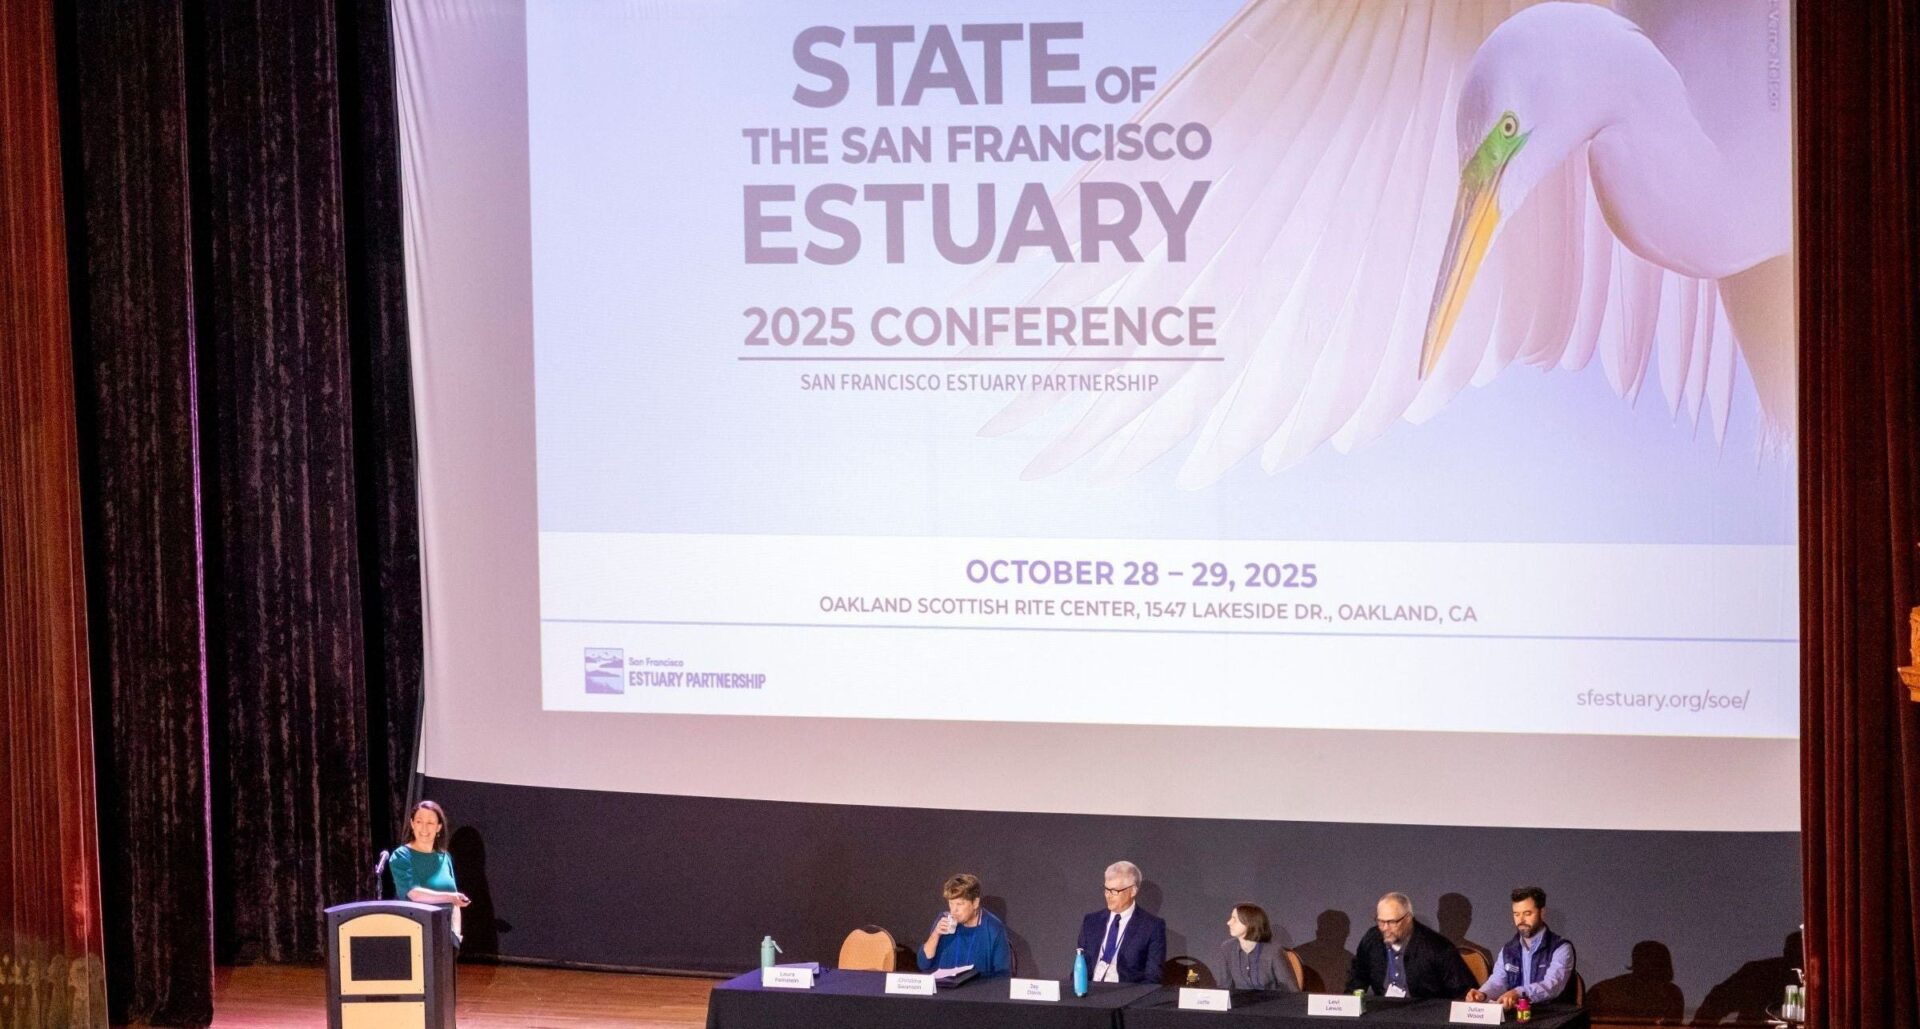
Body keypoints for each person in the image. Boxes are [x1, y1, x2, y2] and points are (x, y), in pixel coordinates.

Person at [1345, 892, 1477, 1000]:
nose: (1385, 928)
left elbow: (1463, 991)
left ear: (1408, 919)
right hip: (1383, 1013)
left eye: (1391, 922)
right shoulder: (1372, 939)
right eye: (1380, 921)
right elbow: (1357, 979)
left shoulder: (1437, 947)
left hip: (1425, 1015)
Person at [1467, 887, 1576, 1008]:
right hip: (1518, 1015)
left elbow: (1551, 986)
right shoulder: (1508, 950)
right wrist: (1482, 994)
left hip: (1553, 1015)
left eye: (1527, 913)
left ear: (1542, 912)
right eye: (1516, 914)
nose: (1521, 920)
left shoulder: (1561, 948)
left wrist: (1518, 993)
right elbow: (1497, 982)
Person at [1076, 860, 1167, 984]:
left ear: (1133, 891)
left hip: (1126, 992)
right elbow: (1079, 968)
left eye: (1114, 891)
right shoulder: (1091, 921)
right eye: (1106, 889)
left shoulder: (1152, 927)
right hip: (1090, 990)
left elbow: (1153, 976)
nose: (1108, 896)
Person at [390, 800, 470, 941]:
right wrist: (451, 897)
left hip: (445, 937)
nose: (424, 828)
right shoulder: (401, 855)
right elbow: (415, 894)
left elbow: (455, 903)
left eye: (430, 823)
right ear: (412, 824)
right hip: (413, 936)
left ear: (439, 827)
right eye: (419, 822)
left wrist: (456, 936)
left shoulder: (445, 857)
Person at [917, 873, 1011, 977]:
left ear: (975, 903)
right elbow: (923, 964)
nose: (953, 910)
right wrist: (936, 934)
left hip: (977, 987)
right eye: (951, 904)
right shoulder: (944, 920)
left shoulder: (993, 929)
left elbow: (1002, 975)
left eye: (959, 904)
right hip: (943, 986)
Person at [1215, 904, 1299, 991]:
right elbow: (1224, 988)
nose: (1229, 923)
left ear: (1249, 922)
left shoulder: (1273, 952)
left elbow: (1290, 990)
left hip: (1269, 999)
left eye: (1234, 919)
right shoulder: (1227, 949)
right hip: (1239, 1000)